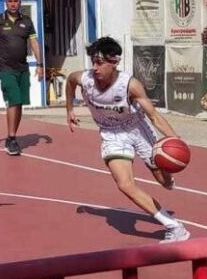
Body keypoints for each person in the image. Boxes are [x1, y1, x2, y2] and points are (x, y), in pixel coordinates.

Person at [65, 37, 190, 243]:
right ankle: (174, 227)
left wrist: (175, 139)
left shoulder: (130, 85)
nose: (94, 67)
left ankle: (166, 177)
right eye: (93, 62)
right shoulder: (84, 79)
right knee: (124, 184)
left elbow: (154, 116)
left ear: (114, 62)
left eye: (99, 62)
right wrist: (69, 109)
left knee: (164, 181)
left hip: (137, 128)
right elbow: (70, 81)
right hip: (111, 133)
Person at [0, 0, 44, 156]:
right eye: (10, 1)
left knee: (20, 102)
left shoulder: (27, 21)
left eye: (16, 1)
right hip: (4, 68)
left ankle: (12, 136)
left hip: (22, 68)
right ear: (6, 3)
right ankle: (11, 138)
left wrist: (40, 64)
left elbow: (34, 43)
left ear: (20, 2)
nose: (13, 4)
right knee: (14, 100)